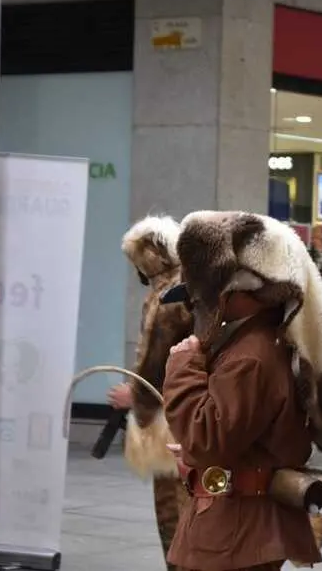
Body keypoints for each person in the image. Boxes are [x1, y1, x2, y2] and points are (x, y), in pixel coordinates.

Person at [159, 210, 322, 571]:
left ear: (236, 288)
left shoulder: (250, 355)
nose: (196, 303)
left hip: (235, 534)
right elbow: (238, 436)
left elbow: (207, 439)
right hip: (244, 529)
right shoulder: (264, 342)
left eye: (201, 292)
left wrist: (182, 366)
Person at [109, 215, 194, 570]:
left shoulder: (166, 299)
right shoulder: (191, 288)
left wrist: (137, 397)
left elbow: (157, 363)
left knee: (174, 511)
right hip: (194, 415)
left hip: (170, 419)